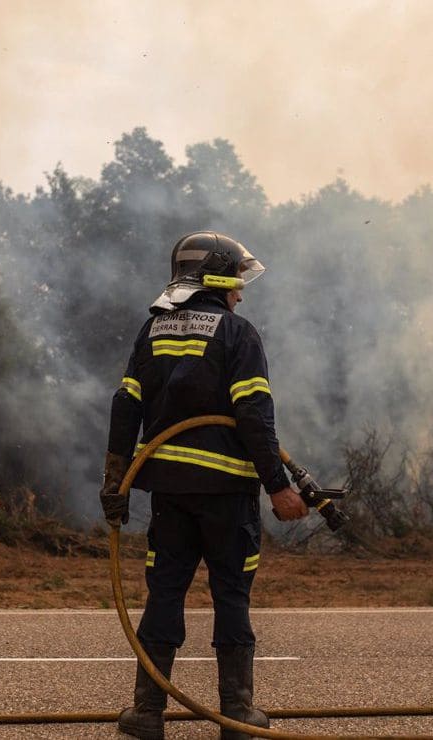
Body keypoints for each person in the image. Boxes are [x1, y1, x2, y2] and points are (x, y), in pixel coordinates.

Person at [100, 231, 307, 740]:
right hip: (227, 497)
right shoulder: (238, 333)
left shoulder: (152, 331)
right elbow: (254, 417)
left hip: (169, 493)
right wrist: (278, 487)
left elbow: (125, 407)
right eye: (237, 280)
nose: (241, 291)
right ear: (216, 278)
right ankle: (236, 714)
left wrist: (115, 482)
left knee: (164, 593)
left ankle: (146, 713)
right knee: (231, 594)